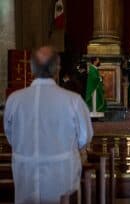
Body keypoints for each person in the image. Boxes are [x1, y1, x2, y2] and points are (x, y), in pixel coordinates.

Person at [4, 46, 93, 204]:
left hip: (26, 177)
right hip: (62, 179)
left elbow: (11, 137)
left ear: (31, 68)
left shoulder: (14, 100)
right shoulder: (73, 101)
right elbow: (85, 137)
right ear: (57, 69)